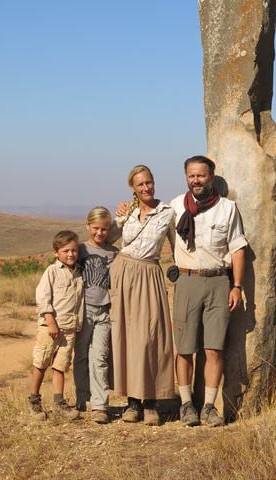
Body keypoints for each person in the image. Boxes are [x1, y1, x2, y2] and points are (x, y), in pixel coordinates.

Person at [171, 155, 247, 427]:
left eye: (201, 175)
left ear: (211, 177)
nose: (196, 180)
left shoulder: (227, 208)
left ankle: (208, 407)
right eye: (191, 175)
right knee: (184, 348)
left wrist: (237, 286)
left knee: (214, 349)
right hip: (186, 281)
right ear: (186, 177)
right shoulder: (175, 206)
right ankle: (186, 405)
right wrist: (126, 208)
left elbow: (237, 248)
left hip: (218, 282)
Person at [111, 164, 176, 425]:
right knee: (126, 337)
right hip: (123, 273)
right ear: (133, 188)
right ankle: (132, 403)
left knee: (150, 337)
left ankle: (152, 402)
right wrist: (118, 216)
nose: (146, 187)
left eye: (149, 182)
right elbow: (109, 237)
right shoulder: (127, 213)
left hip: (149, 274)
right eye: (140, 184)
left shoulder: (167, 213)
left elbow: (178, 244)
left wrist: (180, 272)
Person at [28, 230, 83, 421]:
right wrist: (50, 322)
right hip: (49, 329)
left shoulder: (78, 272)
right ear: (56, 252)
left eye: (74, 250)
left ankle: (59, 403)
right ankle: (34, 402)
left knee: (60, 366)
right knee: (41, 363)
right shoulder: (51, 272)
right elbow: (43, 298)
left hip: (69, 329)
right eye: (66, 250)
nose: (70, 254)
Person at [73, 207, 118, 424]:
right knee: (81, 355)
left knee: (99, 356)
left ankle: (100, 405)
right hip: (83, 310)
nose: (100, 233)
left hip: (105, 310)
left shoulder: (113, 253)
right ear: (88, 226)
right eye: (96, 228)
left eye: (104, 229)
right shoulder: (80, 250)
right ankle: (83, 398)